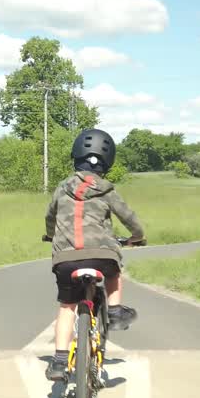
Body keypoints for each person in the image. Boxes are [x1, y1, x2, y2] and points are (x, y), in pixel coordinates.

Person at [43, 128, 145, 381]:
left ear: (76, 156)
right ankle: (114, 309)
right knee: (114, 271)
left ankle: (58, 361)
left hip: (66, 259)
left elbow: (50, 217)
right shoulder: (107, 190)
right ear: (107, 162)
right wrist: (137, 237)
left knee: (67, 307)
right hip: (102, 256)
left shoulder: (61, 188)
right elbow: (130, 219)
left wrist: (50, 234)